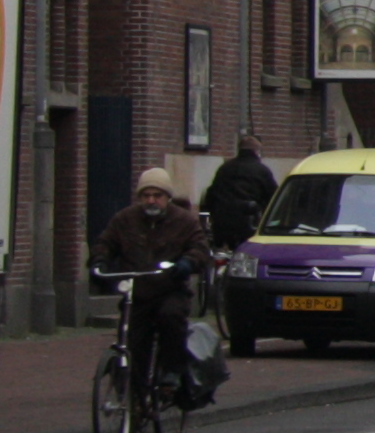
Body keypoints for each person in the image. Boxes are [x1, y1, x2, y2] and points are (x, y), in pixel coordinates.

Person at [92, 167, 217, 403]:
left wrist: (187, 263)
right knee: (132, 338)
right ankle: (135, 397)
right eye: (146, 195)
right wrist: (99, 260)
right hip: (138, 293)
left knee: (170, 317)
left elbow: (199, 248)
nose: (151, 200)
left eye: (157, 195)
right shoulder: (125, 219)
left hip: (170, 289)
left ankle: (171, 372)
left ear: (167, 197)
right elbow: (106, 242)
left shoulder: (184, 221)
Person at [204, 134, 276, 250]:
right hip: (250, 225)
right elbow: (273, 198)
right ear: (257, 152)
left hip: (223, 224)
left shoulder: (224, 168)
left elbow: (211, 195)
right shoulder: (262, 170)